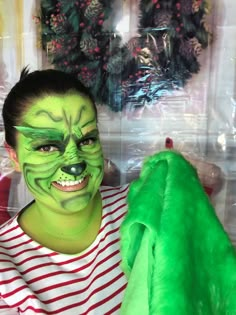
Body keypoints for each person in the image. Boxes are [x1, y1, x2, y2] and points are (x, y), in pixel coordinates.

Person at [0, 68, 129, 314]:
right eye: (47, 146)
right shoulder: (5, 271)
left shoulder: (142, 206)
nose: (74, 163)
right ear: (14, 156)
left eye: (87, 140)